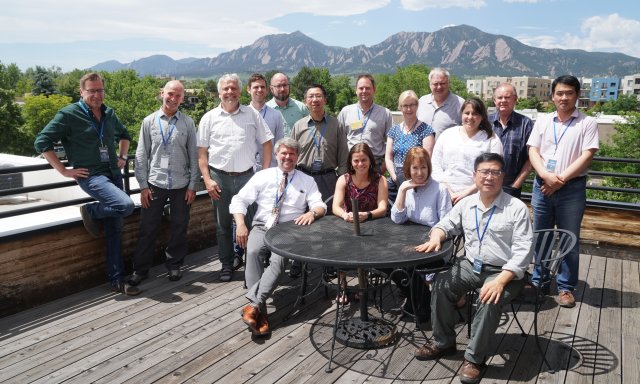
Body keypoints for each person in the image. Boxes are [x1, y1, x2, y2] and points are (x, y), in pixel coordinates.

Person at [414, 153, 533, 384]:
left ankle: (474, 358)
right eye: (484, 172)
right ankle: (443, 342)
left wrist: (500, 280)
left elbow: (523, 251)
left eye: (495, 172)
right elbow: (445, 224)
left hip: (505, 273)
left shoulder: (516, 208)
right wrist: (437, 236)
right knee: (441, 284)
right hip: (470, 265)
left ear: (503, 176)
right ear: (475, 176)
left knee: (490, 297)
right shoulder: (466, 204)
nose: (489, 177)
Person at [34, 72, 138, 296]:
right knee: (126, 205)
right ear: (81, 92)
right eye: (91, 91)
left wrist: (122, 156)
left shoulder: (109, 113)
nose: (97, 95)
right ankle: (90, 210)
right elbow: (41, 141)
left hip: (113, 174)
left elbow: (125, 135)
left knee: (115, 229)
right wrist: (63, 170)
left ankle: (117, 279)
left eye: (100, 90)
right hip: (91, 176)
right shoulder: (69, 114)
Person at [230, 137, 327, 336]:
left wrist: (312, 213)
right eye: (284, 153)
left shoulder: (306, 180)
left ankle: (255, 307)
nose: (287, 157)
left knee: (279, 259)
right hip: (262, 226)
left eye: (292, 154)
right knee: (254, 251)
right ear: (276, 155)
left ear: (297, 157)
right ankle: (260, 312)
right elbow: (239, 200)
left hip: (289, 230)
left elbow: (320, 204)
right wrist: (240, 224)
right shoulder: (262, 176)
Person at [527, 75, 599, 308]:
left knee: (570, 238)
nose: (564, 97)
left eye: (569, 93)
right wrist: (546, 176)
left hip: (571, 189)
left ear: (577, 95)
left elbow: (588, 155)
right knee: (542, 236)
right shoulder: (543, 120)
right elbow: (533, 151)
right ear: (552, 96)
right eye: (559, 93)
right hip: (542, 186)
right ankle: (539, 281)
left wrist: (560, 180)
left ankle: (566, 287)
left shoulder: (587, 123)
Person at [197, 73, 274, 282]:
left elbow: (268, 143)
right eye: (226, 89)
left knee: (251, 224)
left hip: (247, 179)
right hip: (219, 179)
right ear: (219, 93)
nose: (229, 92)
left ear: (240, 91)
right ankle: (227, 264)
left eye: (233, 88)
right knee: (222, 225)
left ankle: (252, 265)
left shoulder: (252, 114)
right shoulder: (209, 118)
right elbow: (202, 153)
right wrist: (207, 179)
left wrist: (265, 173)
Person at [128, 80, 199, 286]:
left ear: (182, 99)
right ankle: (140, 270)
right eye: (170, 94)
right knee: (147, 228)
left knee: (179, 227)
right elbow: (141, 156)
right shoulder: (149, 122)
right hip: (155, 184)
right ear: (162, 94)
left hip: (181, 185)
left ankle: (174, 265)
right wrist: (142, 186)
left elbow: (194, 155)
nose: (173, 99)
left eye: (178, 96)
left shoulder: (187, 123)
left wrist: (193, 185)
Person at [390, 147, 451, 322]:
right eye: (415, 168)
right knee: (386, 261)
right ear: (408, 169)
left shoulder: (440, 189)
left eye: (423, 168)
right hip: (409, 242)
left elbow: (446, 223)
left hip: (436, 244)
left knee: (410, 265)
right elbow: (397, 219)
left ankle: (420, 308)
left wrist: (433, 238)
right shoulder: (406, 186)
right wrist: (402, 191)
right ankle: (416, 299)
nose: (419, 173)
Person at [332, 143, 388, 304]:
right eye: (356, 161)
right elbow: (335, 206)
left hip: (373, 224)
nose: (360, 164)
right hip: (349, 223)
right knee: (341, 244)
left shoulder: (380, 179)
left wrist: (368, 215)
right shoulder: (344, 179)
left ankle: (364, 281)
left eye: (363, 160)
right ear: (350, 162)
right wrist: (344, 215)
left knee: (365, 245)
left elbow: (383, 208)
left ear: (370, 160)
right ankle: (342, 285)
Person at [431, 98, 503, 205]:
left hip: (476, 198)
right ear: (461, 114)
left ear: (482, 117)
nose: (470, 117)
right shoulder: (447, 134)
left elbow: (494, 171)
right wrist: (448, 191)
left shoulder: (491, 139)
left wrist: (466, 193)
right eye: (467, 113)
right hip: (443, 196)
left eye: (475, 114)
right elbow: (435, 165)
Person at [291, 83, 349, 202]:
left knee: (329, 218)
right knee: (303, 216)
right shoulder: (298, 126)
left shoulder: (336, 125)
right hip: (303, 178)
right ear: (305, 101)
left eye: (318, 96)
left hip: (329, 179)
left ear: (325, 100)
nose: (314, 100)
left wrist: (342, 181)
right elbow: (291, 154)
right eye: (311, 96)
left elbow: (344, 157)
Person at [384, 90, 435, 199]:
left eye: (412, 105)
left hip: (417, 178)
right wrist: (394, 177)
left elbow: (427, 157)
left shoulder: (426, 130)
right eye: (405, 106)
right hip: (396, 178)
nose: (408, 109)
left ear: (417, 106)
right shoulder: (393, 131)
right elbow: (388, 157)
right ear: (400, 107)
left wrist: (413, 179)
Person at [338, 74, 393, 172]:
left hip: (375, 166)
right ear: (356, 90)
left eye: (367, 88)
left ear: (374, 90)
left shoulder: (385, 113)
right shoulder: (346, 112)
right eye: (361, 88)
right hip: (351, 166)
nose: (364, 91)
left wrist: (384, 166)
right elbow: (338, 140)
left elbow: (392, 142)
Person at [489, 83, 533, 198]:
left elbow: (532, 158)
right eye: (499, 97)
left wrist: (516, 185)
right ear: (494, 100)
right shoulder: (485, 122)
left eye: (507, 97)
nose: (503, 100)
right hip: (486, 182)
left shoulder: (526, 124)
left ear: (515, 100)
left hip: (511, 185)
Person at [247, 73, 285, 170]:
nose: (259, 90)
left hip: (270, 168)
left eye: (262, 87)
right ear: (248, 89)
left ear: (267, 90)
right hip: (247, 170)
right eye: (256, 87)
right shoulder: (243, 115)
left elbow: (279, 144)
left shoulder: (276, 115)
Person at [417, 67, 464, 138]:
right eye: (435, 84)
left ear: (448, 83)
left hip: (448, 148)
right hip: (422, 148)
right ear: (430, 84)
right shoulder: (421, 101)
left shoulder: (460, 104)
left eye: (442, 83)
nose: (439, 87)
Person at [266, 72, 309, 137]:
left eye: (285, 85)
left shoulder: (301, 108)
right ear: (271, 89)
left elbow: (309, 132)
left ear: (289, 86)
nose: (282, 89)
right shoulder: (265, 110)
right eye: (278, 86)